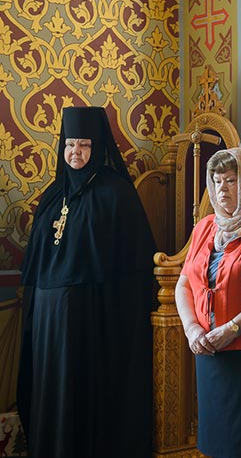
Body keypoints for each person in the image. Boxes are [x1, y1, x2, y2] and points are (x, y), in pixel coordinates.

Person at [17, 106, 156, 458]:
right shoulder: (54, 194)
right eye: (70, 145)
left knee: (80, 392)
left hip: (90, 318)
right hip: (48, 323)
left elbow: (133, 268)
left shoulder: (117, 194)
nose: (76, 152)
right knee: (51, 390)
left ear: (97, 147)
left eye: (84, 145)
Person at [175, 148, 241, 457]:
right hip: (207, 350)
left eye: (231, 180)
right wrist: (191, 329)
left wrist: (231, 329)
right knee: (214, 442)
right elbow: (184, 283)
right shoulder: (206, 226)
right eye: (217, 181)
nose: (222, 188)